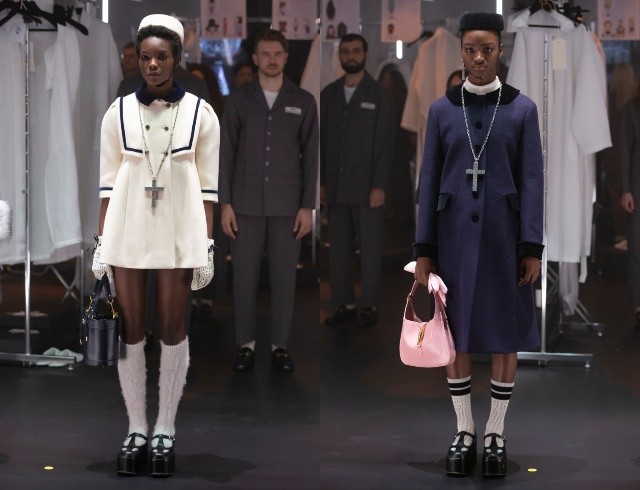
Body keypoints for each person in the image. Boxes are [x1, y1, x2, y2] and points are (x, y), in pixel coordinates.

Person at [413, 12, 543, 478]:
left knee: (506, 332)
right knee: (457, 335)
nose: (480, 58)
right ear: (462, 52)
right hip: (453, 242)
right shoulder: (442, 110)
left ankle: (495, 433)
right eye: (471, 49)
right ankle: (464, 429)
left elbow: (533, 181)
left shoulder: (522, 109)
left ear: (500, 50)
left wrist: (531, 246)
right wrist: (424, 248)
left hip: (505, 241)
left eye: (487, 49)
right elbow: (428, 182)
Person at [92, 14, 220, 477]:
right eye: (145, 56)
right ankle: (136, 427)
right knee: (130, 328)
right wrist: (101, 243)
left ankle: (165, 425)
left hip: (179, 229)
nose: (151, 64)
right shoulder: (118, 111)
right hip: (127, 227)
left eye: (161, 56)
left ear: (177, 58)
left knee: (171, 326)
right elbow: (107, 185)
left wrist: (206, 245)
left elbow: (208, 189)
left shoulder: (202, 113)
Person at [219, 29, 318, 374]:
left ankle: (280, 346)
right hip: (244, 204)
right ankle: (245, 344)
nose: (272, 60)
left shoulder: (303, 100)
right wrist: (225, 203)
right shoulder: (239, 99)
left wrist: (307, 207)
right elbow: (225, 154)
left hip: (287, 206)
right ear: (255, 58)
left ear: (286, 57)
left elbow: (311, 156)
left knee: (284, 280)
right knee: (243, 279)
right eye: (266, 54)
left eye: (278, 54)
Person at [321, 33, 395, 327]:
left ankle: (369, 305)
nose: (350, 56)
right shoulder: (329, 94)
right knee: (338, 250)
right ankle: (345, 304)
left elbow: (386, 144)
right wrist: (322, 183)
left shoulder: (379, 95)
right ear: (339, 56)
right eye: (345, 51)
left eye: (355, 51)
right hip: (336, 185)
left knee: (370, 249)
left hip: (368, 187)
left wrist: (380, 185)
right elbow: (323, 142)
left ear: (365, 54)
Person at [377, 65, 413, 223]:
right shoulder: (385, 99)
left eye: (388, 80)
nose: (386, 83)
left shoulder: (398, 100)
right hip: (393, 145)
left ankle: (399, 212)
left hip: (398, 146)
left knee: (398, 180)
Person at [619, 83, 640, 326]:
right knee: (637, 249)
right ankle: (638, 305)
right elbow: (624, 152)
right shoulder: (631, 109)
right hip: (637, 187)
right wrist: (625, 190)